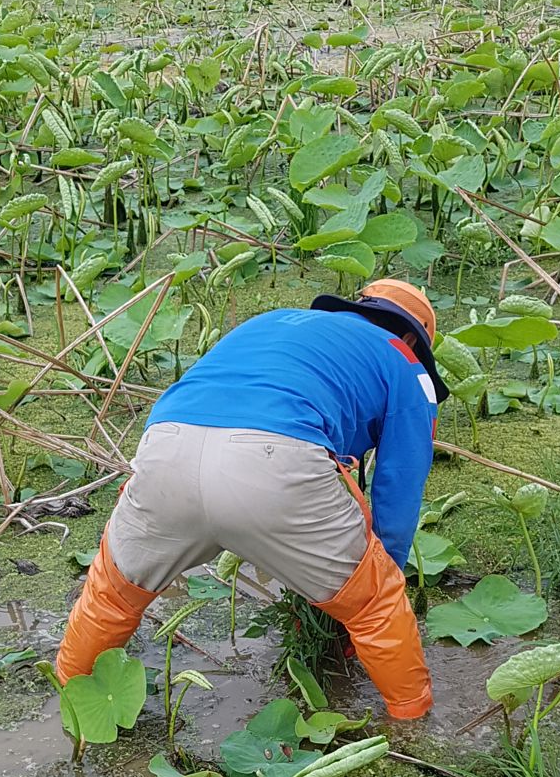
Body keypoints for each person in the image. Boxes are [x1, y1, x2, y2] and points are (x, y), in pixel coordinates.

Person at [55, 279, 446, 719]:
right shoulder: (404, 360)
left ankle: (71, 710)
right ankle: (412, 723)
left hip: (166, 445)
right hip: (275, 458)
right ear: (413, 336)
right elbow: (399, 481)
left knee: (112, 595)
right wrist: (375, 573)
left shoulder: (271, 321)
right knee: (376, 603)